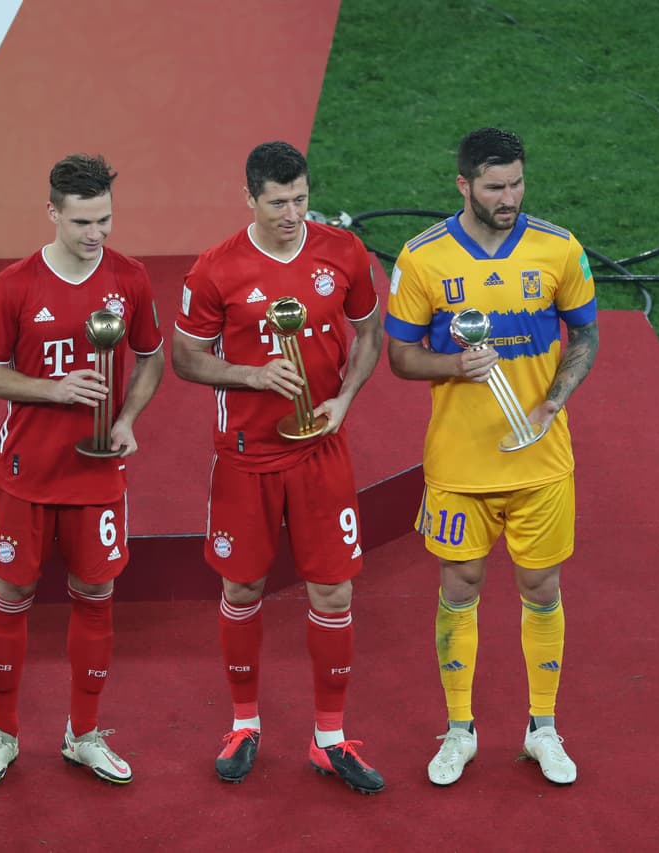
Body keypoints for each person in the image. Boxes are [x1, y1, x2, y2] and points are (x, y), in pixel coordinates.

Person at [384, 128, 599, 787]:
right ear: (463, 185)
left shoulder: (558, 247)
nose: (509, 198)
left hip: (541, 464)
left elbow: (586, 333)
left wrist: (552, 402)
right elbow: (399, 355)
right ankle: (459, 730)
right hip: (459, 466)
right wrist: (454, 363)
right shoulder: (422, 259)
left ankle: (542, 727)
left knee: (542, 588)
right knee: (460, 588)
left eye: (517, 184)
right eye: (495, 187)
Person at [171, 141, 386, 795]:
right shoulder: (215, 270)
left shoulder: (343, 254)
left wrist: (345, 398)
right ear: (250, 199)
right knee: (241, 589)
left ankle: (329, 738)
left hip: (321, 451)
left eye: (300, 199)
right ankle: (243, 724)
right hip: (248, 457)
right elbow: (184, 358)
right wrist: (250, 374)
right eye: (278, 202)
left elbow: (371, 332)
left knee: (335, 593)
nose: (292, 213)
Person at [0, 153, 164, 787]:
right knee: (13, 595)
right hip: (24, 474)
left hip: (99, 477)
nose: (96, 234)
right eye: (82, 221)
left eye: (104, 219)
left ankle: (83, 734)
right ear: (53, 213)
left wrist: (128, 419)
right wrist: (55, 389)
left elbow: (152, 357)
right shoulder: (16, 284)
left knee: (97, 597)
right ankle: (4, 733)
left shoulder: (129, 278)